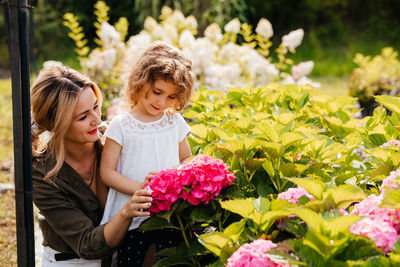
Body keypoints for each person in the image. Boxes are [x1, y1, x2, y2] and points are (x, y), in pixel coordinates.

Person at [31, 65, 153, 267]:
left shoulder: (113, 138)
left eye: (96, 106)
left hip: (123, 254)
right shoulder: (42, 173)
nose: (97, 120)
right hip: (72, 261)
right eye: (83, 116)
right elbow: (86, 244)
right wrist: (126, 212)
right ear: (57, 125)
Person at [99, 42, 195, 266]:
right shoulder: (121, 125)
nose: (162, 102)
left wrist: (178, 180)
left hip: (170, 213)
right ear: (141, 81)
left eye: (172, 97)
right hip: (134, 213)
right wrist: (141, 189)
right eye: (157, 92)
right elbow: (106, 172)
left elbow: (186, 160)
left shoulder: (174, 122)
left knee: (170, 260)